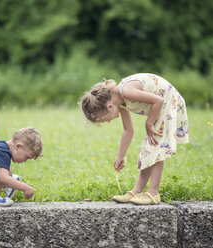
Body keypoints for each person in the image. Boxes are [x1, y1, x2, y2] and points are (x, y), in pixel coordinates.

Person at [80, 73, 189, 205]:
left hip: (169, 102)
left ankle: (153, 193)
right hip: (161, 106)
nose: (108, 122)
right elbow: (128, 130)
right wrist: (120, 156)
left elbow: (158, 101)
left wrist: (149, 124)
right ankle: (137, 191)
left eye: (106, 119)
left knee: (155, 147)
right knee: (146, 149)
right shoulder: (119, 101)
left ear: (109, 107)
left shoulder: (126, 91)